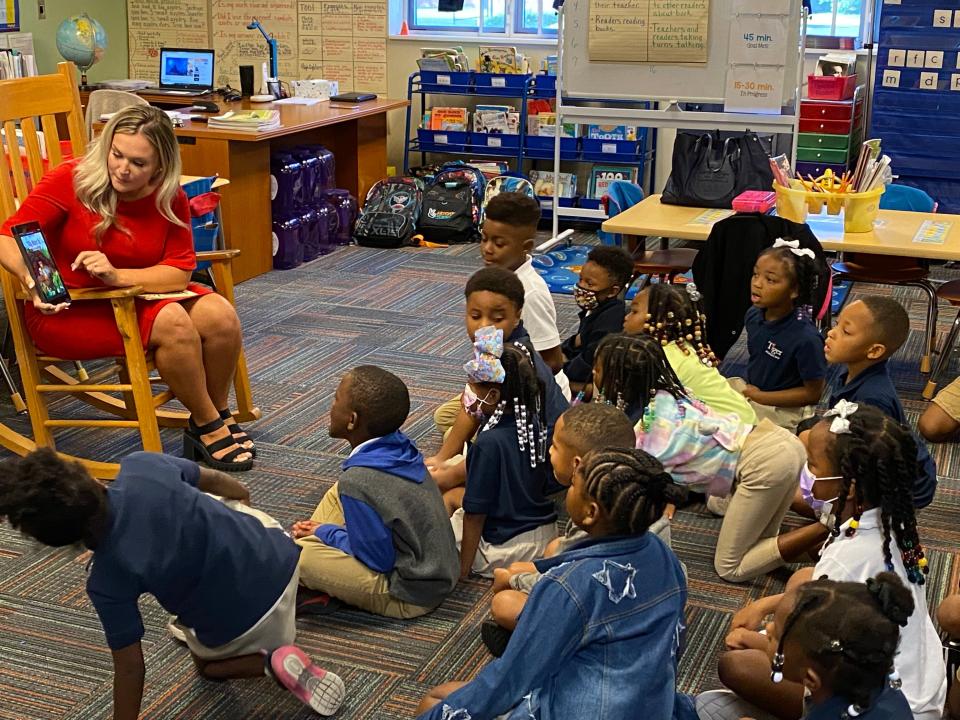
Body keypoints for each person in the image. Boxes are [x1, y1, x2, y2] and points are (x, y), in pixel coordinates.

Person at [0, 448, 346, 718]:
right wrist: (242, 508)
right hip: (281, 556)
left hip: (247, 621)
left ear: (61, 540)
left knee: (206, 668)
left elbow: (131, 666)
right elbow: (223, 483)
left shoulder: (107, 579)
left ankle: (270, 663)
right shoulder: (142, 467)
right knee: (209, 504)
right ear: (86, 477)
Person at [0, 105, 253, 471]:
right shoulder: (71, 178)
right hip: (73, 309)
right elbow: (7, 235)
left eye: (138, 163)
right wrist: (34, 280)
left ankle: (208, 417)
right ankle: (211, 424)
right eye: (116, 155)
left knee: (220, 316)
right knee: (173, 324)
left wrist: (117, 276)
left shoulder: (168, 195)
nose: (122, 168)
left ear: (160, 168)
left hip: (133, 296)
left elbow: (179, 272)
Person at [415, 447, 689, 720]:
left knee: (436, 701)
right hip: (650, 705)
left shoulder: (567, 587)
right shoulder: (663, 555)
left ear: (591, 512)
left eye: (572, 485)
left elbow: (508, 682)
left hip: (583, 709)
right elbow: (675, 646)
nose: (569, 488)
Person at [718, 403, 946, 720]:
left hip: (890, 698)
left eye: (812, 465)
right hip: (924, 676)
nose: (806, 473)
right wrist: (765, 605)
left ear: (849, 486)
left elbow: (818, 655)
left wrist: (762, 641)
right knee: (802, 580)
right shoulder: (893, 518)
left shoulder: (848, 557)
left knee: (735, 664)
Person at [593, 333, 821, 582]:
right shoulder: (669, 393)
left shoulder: (650, 433)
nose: (593, 374)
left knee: (730, 568)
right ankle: (804, 531)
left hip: (765, 463)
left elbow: (646, 481)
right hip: (777, 441)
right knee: (721, 507)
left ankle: (823, 537)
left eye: (597, 369)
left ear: (618, 377)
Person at [291, 366, 459, 618]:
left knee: (298, 557)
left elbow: (378, 560)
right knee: (339, 492)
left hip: (409, 593)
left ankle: (316, 565)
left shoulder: (359, 479)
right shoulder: (400, 444)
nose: (331, 405)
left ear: (352, 420)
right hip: (435, 569)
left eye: (336, 399)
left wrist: (325, 532)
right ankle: (318, 554)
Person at [480, 403, 642, 656]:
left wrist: (511, 579)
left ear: (577, 464)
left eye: (554, 446)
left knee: (503, 602)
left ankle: (548, 649)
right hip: (632, 600)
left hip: (604, 620)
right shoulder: (635, 496)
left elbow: (575, 585)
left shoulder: (595, 520)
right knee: (554, 547)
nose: (549, 452)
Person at [433, 192, 568, 440]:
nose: (487, 249)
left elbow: (553, 361)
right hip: (497, 378)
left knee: (461, 436)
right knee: (443, 418)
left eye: (499, 243)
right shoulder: (497, 283)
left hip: (532, 395)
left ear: (526, 246)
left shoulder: (531, 293)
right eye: (484, 239)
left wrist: (500, 388)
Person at [427, 266, 569, 495]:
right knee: (446, 421)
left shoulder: (513, 363)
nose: (484, 326)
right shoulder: (495, 346)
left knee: (450, 486)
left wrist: (447, 473)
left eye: (498, 318)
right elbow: (473, 406)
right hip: (521, 439)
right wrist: (443, 457)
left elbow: (502, 442)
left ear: (517, 317)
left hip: (537, 464)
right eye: (475, 316)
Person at [696, 573, 915, 720]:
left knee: (706, 706)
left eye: (775, 637)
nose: (768, 629)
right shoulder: (871, 679)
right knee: (711, 704)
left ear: (810, 679)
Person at [446, 328, 558, 578]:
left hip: (507, 547)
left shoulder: (488, 443)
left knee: (437, 518)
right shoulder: (532, 421)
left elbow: (475, 515)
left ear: (494, 395)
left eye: (473, 388)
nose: (468, 395)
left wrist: (463, 570)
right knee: (454, 495)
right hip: (544, 531)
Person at [820, 296, 936, 508]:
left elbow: (878, 461)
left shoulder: (873, 398)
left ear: (874, 351)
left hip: (903, 485)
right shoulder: (849, 368)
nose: (831, 333)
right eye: (837, 325)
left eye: (846, 332)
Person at [624, 282, 756, 424]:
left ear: (661, 319)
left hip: (736, 432)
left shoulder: (662, 358)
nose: (626, 317)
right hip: (741, 422)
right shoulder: (682, 348)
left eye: (634, 311)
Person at [737, 239, 827, 431]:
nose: (757, 284)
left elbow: (813, 394)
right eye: (755, 274)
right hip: (755, 392)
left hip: (786, 409)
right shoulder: (753, 314)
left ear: (794, 290)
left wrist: (761, 397)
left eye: (770, 280)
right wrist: (754, 394)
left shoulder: (806, 338)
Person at [561, 245, 633, 397]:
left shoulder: (610, 323)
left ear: (613, 291)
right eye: (581, 279)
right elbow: (578, 341)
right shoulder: (596, 309)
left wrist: (561, 368)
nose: (581, 287)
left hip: (601, 385)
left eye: (590, 284)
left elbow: (585, 366)